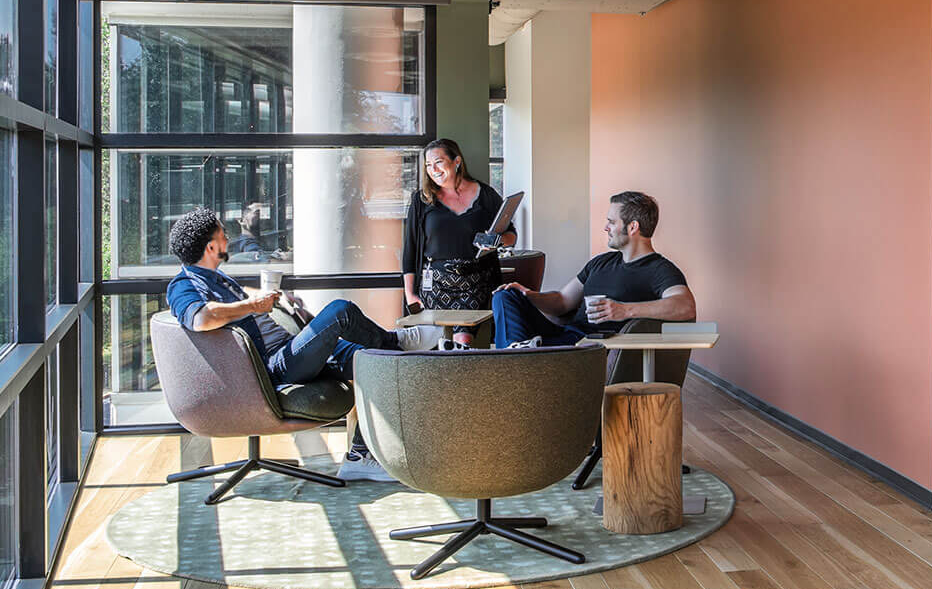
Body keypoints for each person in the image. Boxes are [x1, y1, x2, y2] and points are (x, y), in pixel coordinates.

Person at [164, 207, 414, 482]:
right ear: (211, 246)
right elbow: (201, 318)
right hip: (274, 367)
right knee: (340, 311)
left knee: (375, 361)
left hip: (288, 349)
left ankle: (360, 455)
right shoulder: (184, 285)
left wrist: (272, 299)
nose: (229, 239)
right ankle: (396, 339)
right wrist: (253, 305)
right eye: (224, 234)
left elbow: (237, 306)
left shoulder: (219, 279)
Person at [492, 191, 695, 348]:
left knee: (520, 351)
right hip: (565, 335)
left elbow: (685, 306)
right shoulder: (601, 262)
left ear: (633, 227)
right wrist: (528, 295)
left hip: (589, 346)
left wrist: (624, 310)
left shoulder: (659, 269)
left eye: (611, 222)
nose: (606, 228)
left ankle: (515, 360)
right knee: (506, 295)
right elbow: (562, 301)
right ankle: (517, 352)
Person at [403, 138, 516, 346]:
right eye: (428, 165)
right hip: (435, 284)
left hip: (476, 282)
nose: (433, 169)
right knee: (435, 338)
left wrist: (497, 241)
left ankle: (457, 370)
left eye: (438, 162)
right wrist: (410, 293)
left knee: (462, 337)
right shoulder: (421, 200)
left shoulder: (486, 195)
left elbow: (511, 236)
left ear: (457, 161)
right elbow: (410, 250)